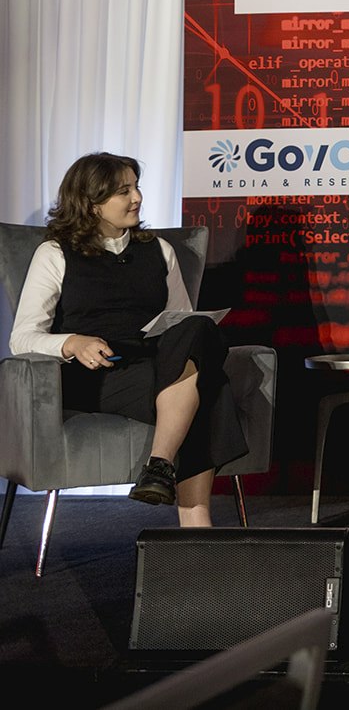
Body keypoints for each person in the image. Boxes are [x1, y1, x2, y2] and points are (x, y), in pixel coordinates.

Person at [8, 153, 247, 526]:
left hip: (156, 364)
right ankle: (195, 524)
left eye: (136, 187)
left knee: (198, 329)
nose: (137, 198)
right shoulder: (54, 253)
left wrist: (187, 332)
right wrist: (71, 342)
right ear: (92, 203)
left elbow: (182, 325)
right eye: (124, 191)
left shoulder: (159, 250)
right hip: (95, 375)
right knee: (210, 388)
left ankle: (160, 468)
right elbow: (21, 337)